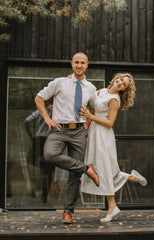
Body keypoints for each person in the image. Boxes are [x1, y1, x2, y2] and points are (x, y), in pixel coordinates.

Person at [34, 52, 99, 224]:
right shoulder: (59, 83)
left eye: (82, 63)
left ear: (87, 65)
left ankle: (68, 212)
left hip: (79, 132)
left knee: (73, 175)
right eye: (76, 62)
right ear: (71, 64)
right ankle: (87, 168)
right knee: (49, 155)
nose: (79, 65)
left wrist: (89, 120)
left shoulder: (90, 88)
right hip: (59, 129)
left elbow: (96, 106)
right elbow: (39, 98)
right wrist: (47, 118)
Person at [80, 73, 147, 223]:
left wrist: (90, 117)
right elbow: (92, 107)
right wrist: (88, 122)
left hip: (104, 135)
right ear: (116, 78)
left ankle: (113, 206)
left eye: (124, 85)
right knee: (100, 167)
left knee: (103, 168)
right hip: (94, 133)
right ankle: (126, 184)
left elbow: (110, 123)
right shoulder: (101, 91)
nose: (120, 84)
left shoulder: (114, 100)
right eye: (120, 80)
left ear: (123, 90)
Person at [24, 104, 53, 203]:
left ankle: (44, 195)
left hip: (44, 139)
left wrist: (31, 136)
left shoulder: (45, 110)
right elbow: (26, 121)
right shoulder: (45, 110)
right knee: (47, 169)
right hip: (44, 139)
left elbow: (26, 121)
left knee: (47, 169)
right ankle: (43, 194)